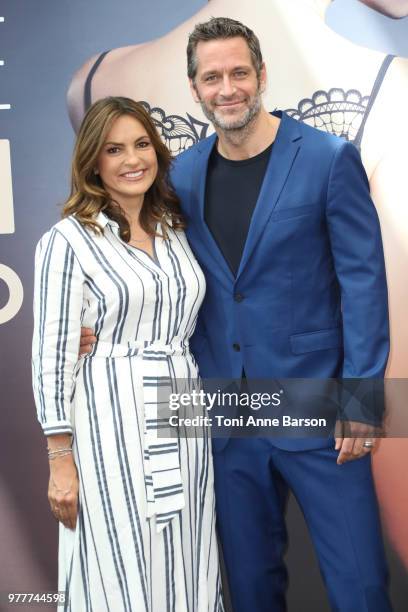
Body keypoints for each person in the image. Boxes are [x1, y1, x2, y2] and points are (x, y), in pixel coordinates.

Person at [70, 0, 408, 574]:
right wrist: (101, 328)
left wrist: (361, 400)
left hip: (319, 410)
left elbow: (364, 283)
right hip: (224, 419)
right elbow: (161, 276)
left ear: (260, 76)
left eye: (238, 73)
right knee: (249, 587)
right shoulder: (180, 176)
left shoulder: (328, 158)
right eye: (212, 77)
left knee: (359, 583)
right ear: (195, 88)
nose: (227, 89)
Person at [31, 96, 224, 611]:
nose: (132, 159)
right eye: (114, 149)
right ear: (93, 160)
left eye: (141, 144)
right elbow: (51, 355)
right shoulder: (67, 241)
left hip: (181, 409)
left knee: (187, 551)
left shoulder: (175, 229)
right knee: (118, 557)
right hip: (109, 416)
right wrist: (60, 460)